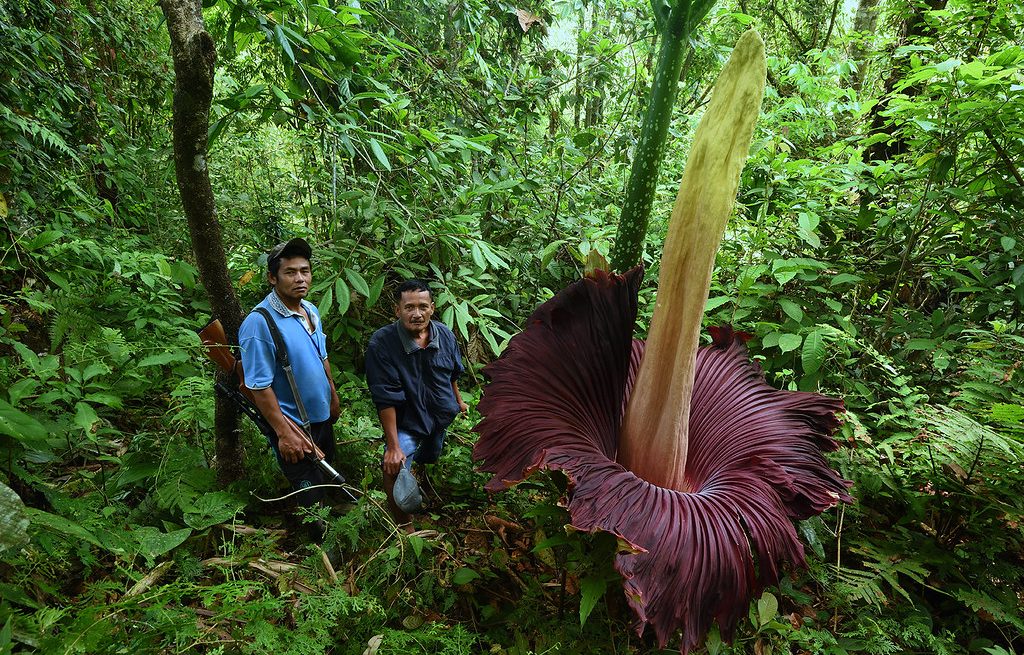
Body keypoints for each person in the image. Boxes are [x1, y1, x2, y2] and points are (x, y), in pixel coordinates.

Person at [238, 237, 341, 527]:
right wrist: (284, 434)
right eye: (290, 272)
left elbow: (322, 358)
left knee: (327, 481)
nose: (300, 278)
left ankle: (334, 534)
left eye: (304, 271)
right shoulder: (259, 323)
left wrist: (332, 396)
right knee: (309, 495)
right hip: (294, 427)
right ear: (272, 277)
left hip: (321, 419)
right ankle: (319, 556)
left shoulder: (310, 310)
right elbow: (258, 386)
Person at [365, 279, 469, 528]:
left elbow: (453, 372)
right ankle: (405, 528)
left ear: (432, 308)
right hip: (407, 421)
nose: (417, 313)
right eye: (409, 307)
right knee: (393, 466)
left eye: (423, 306)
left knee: (430, 455)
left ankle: (421, 476)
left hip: (440, 416)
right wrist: (392, 446)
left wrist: (459, 401)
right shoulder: (382, 343)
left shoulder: (444, 334)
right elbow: (385, 397)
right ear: (397, 310)